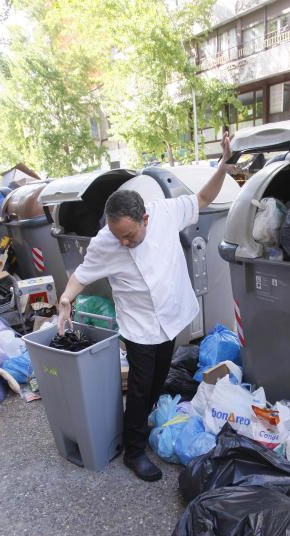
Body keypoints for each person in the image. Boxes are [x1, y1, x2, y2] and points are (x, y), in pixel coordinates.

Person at [57, 132, 233, 482]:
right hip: (138, 324)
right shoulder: (107, 242)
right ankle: (134, 450)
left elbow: (202, 198)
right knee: (139, 385)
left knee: (157, 379)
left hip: (170, 316)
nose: (123, 242)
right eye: (118, 235)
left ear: (145, 219)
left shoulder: (165, 213)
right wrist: (65, 300)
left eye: (130, 236)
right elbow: (82, 273)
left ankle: (144, 418)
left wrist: (224, 164)